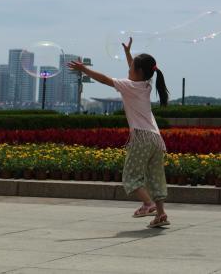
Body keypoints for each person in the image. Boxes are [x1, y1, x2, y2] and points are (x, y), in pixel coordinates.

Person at [68, 37, 171, 228]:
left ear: (138, 72)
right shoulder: (146, 85)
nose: (128, 70)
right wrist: (128, 54)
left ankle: (148, 204)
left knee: (131, 176)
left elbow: (105, 79)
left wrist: (84, 69)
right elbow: (137, 70)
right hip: (156, 139)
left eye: (131, 68)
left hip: (141, 137)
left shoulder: (129, 85)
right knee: (155, 176)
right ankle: (161, 214)